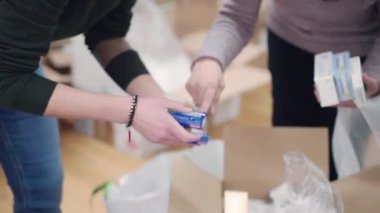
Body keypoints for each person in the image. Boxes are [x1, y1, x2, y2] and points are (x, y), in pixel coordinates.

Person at [0, 0, 200, 212]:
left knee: (42, 188)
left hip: (12, 64)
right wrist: (132, 111)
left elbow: (107, 34)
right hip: (9, 71)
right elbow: (8, 78)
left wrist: (157, 100)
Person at [186, 0, 380, 181]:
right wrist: (210, 60)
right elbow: (237, 16)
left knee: (353, 169)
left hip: (362, 57)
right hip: (290, 50)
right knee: (294, 155)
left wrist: (373, 76)